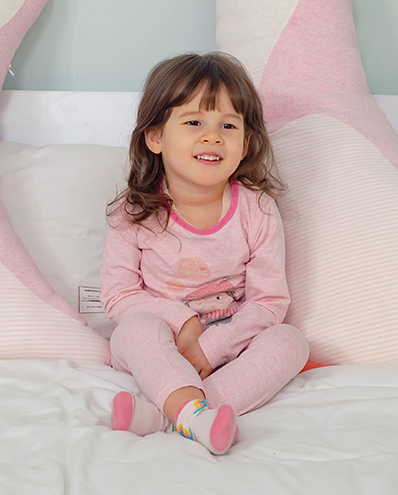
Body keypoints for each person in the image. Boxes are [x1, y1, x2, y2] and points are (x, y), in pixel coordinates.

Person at [101, 52, 309, 455]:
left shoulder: (258, 210)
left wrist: (214, 348)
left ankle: (169, 417)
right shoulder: (133, 211)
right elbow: (118, 296)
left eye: (228, 125)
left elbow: (269, 301)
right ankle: (191, 414)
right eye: (194, 122)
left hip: (228, 350)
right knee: (137, 328)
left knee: (290, 341)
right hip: (159, 349)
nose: (213, 136)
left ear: (245, 143)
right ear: (155, 138)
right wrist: (184, 324)